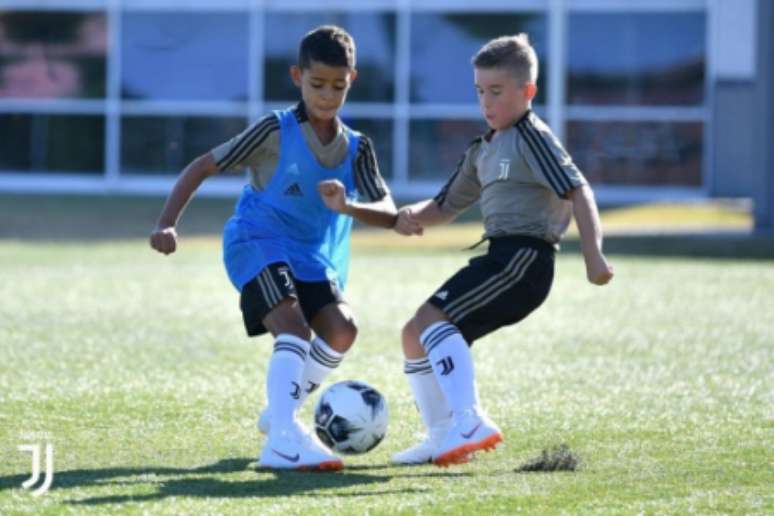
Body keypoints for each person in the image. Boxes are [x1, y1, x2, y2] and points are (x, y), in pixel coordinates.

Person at [150, 25, 417, 470]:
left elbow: (388, 212)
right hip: (257, 241)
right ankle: (284, 437)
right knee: (293, 329)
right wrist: (166, 223)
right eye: (317, 84)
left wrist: (346, 204)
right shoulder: (274, 130)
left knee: (341, 330)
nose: (327, 95)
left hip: (311, 256)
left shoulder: (358, 148)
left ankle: (279, 411)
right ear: (297, 76)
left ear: (353, 78)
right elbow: (203, 165)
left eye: (338, 85)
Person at [391, 33, 614, 467]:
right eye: (479, 91)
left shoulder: (531, 136)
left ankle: (470, 420)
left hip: (524, 261)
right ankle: (442, 437)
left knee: (434, 319)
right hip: (500, 258)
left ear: (527, 92)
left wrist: (594, 254)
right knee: (414, 334)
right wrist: (409, 215)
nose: (485, 102)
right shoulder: (483, 148)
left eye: (496, 91)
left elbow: (578, 190)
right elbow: (444, 205)